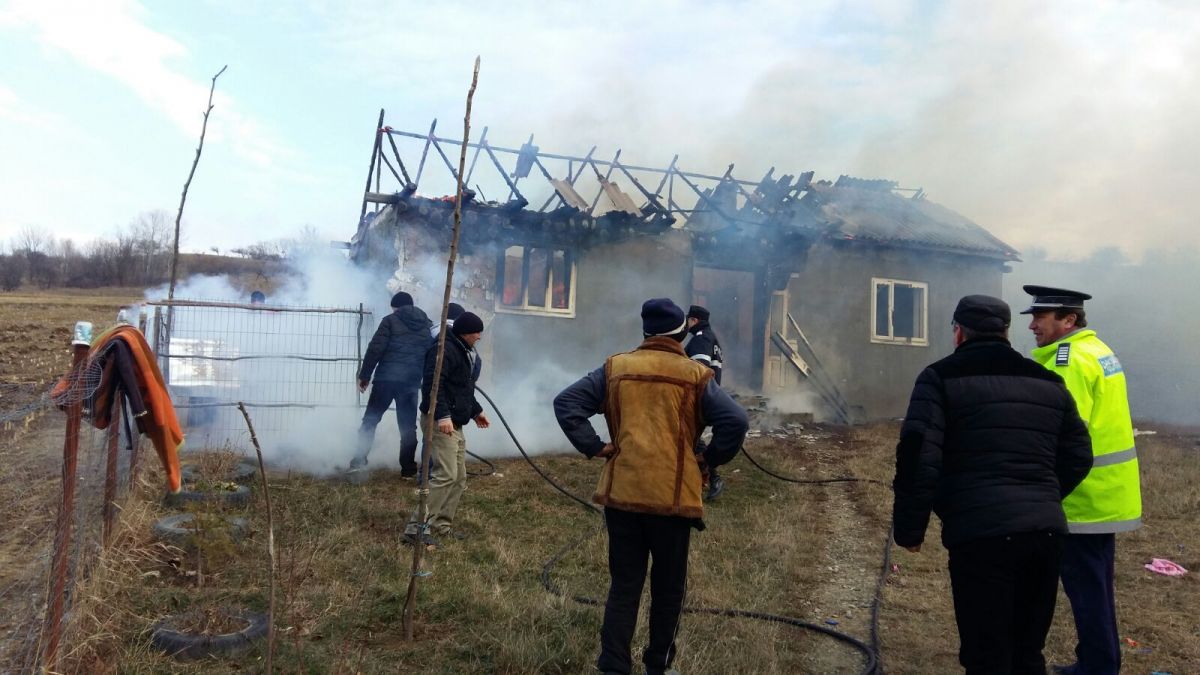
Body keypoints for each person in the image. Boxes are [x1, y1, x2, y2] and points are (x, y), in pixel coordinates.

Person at [892, 294, 1093, 675]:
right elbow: (1080, 455)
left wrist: (910, 529)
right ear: (1006, 331)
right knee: (1028, 652)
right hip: (1044, 534)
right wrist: (1042, 496)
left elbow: (918, 456)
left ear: (958, 332)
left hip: (980, 537)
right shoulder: (1048, 381)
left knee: (987, 654)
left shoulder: (939, 377)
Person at [553, 298, 749, 675]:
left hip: (622, 494)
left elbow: (567, 403)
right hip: (671, 501)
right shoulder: (696, 375)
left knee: (624, 585)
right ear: (681, 333)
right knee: (668, 588)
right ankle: (658, 665)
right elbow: (736, 421)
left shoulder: (615, 367)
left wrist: (595, 446)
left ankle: (613, 666)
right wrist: (708, 459)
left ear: (645, 332)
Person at [1022, 286, 1143, 675]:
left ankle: (1097, 667)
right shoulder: (1098, 350)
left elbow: (1062, 432)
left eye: (1041, 317)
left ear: (1069, 320)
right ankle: (1098, 661)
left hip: (1081, 498)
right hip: (1107, 494)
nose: (1032, 325)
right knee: (1097, 587)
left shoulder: (1069, 360)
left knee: (1087, 590)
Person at [403, 311, 490, 546]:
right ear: (464, 333)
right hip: (440, 421)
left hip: (455, 421)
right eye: (476, 332)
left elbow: (462, 389)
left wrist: (476, 411)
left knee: (459, 477)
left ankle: (441, 525)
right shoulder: (442, 350)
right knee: (446, 475)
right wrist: (442, 416)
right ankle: (416, 529)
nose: (479, 337)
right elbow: (433, 387)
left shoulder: (463, 350)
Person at [352, 291, 433, 476]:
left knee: (370, 421)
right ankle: (408, 469)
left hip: (385, 381)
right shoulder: (427, 325)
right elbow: (431, 354)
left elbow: (375, 349)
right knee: (408, 427)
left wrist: (365, 376)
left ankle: (358, 462)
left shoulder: (390, 321)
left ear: (396, 307)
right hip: (411, 383)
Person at [684, 304, 727, 500]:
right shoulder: (712, 338)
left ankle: (713, 477)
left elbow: (699, 371)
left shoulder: (701, 338)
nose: (686, 324)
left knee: (689, 437)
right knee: (691, 437)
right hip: (709, 395)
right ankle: (703, 478)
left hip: (699, 396)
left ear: (694, 320)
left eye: (688, 320)